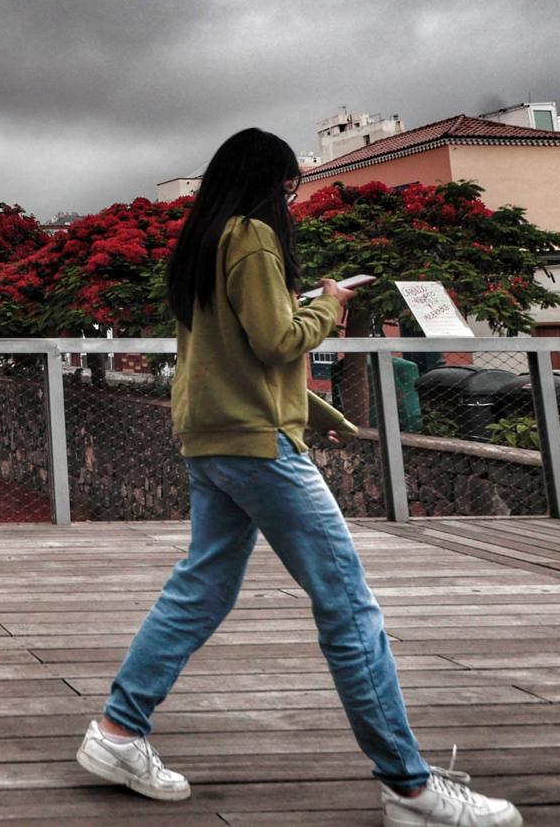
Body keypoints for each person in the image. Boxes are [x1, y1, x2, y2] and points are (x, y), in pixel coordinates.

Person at [73, 128, 521, 827]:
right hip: (257, 448)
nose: (295, 199)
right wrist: (330, 301)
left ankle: (118, 732)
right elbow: (280, 339)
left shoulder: (202, 240)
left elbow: (227, 360)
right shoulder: (251, 236)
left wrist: (314, 409)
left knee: (202, 588)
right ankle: (411, 790)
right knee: (348, 603)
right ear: (265, 183)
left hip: (213, 441)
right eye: (290, 186)